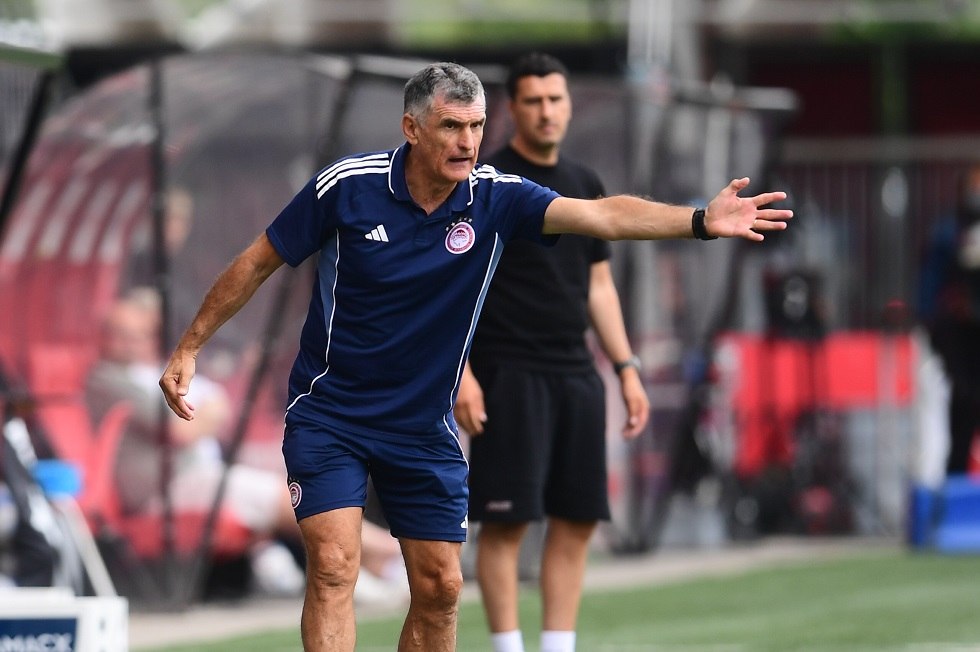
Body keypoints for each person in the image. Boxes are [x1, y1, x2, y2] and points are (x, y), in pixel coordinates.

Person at [157, 61, 791, 652]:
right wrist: (190, 346)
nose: (467, 142)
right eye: (451, 127)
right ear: (412, 128)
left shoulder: (497, 198)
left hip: (423, 427)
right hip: (332, 416)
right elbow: (258, 261)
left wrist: (700, 220)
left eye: (477, 126)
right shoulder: (347, 186)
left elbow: (601, 215)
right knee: (333, 566)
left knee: (441, 588)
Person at [452, 52, 649, 652]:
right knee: (506, 522)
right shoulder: (485, 184)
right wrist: (462, 374)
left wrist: (626, 369)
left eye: (555, 99)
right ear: (512, 108)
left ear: (568, 106)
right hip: (508, 373)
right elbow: (450, 288)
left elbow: (599, 286)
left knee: (578, 518)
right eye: (533, 101)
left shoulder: (585, 183)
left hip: (576, 373)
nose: (546, 111)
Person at [87, 290, 407, 601]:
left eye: (139, 335)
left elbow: (215, 408)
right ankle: (392, 551)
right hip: (165, 490)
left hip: (199, 475)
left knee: (303, 472)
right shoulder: (105, 379)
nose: (131, 343)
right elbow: (184, 430)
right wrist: (208, 413)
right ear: (104, 336)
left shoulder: (153, 370)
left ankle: (368, 565)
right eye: (121, 334)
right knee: (291, 496)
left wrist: (207, 414)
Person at [919, 162, 980, 476]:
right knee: (963, 411)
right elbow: (930, 286)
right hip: (961, 342)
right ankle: (955, 485)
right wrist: (933, 324)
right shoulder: (947, 233)